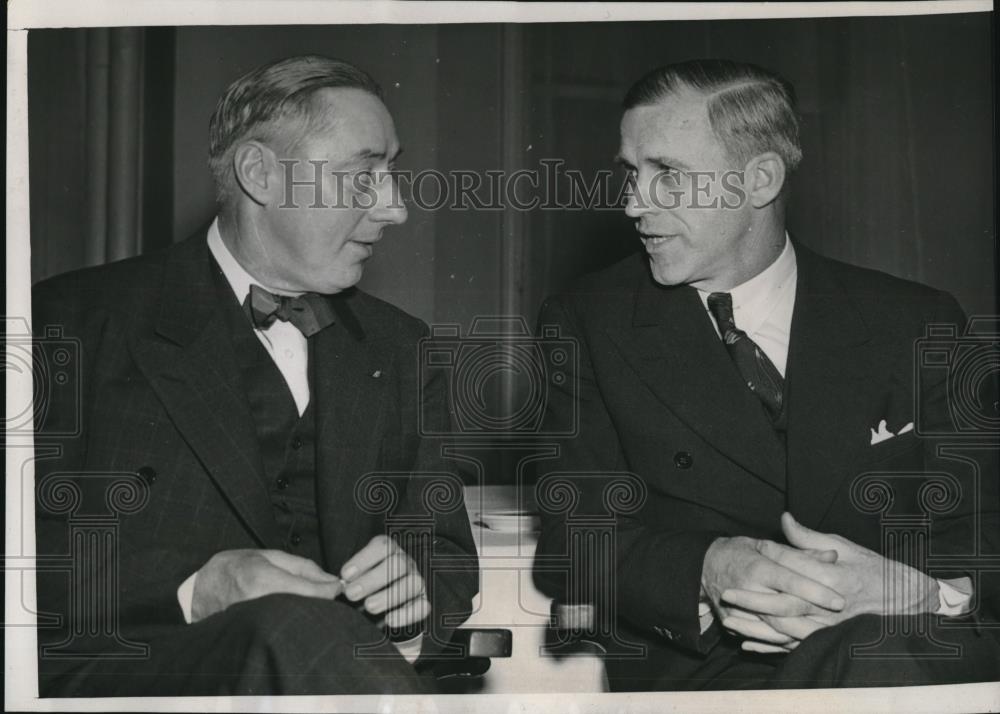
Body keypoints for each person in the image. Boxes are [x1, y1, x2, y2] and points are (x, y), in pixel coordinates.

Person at [532, 58, 999, 690]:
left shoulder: (916, 320)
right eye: (630, 174)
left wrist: (923, 596)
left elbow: (983, 530)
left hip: (908, 664)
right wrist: (709, 566)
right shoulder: (588, 322)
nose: (633, 203)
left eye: (666, 174)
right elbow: (571, 544)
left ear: (759, 179)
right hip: (718, 681)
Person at [32, 55, 478, 696]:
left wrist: (412, 600)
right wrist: (192, 586)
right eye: (363, 176)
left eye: (392, 173)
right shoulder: (69, 321)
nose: (395, 208)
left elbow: (447, 562)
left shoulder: (402, 347)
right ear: (261, 174)